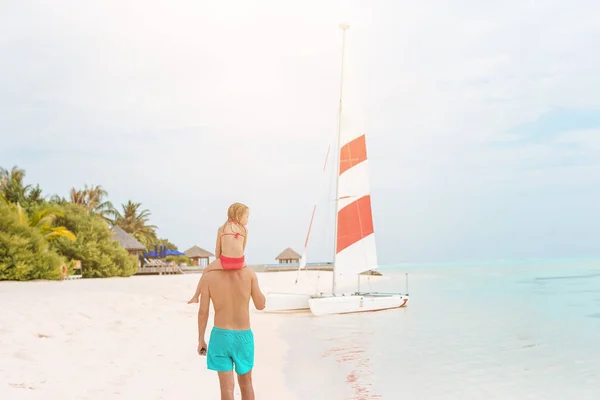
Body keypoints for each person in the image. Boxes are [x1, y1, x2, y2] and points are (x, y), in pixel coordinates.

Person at [197, 266, 266, 400]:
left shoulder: (209, 277)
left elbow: (203, 312)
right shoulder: (249, 274)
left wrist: (201, 339)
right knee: (246, 385)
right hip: (243, 337)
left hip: (220, 337)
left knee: (226, 388)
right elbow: (260, 305)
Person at [188, 202, 249, 304]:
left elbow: (218, 249)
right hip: (240, 262)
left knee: (205, 272)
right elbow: (242, 248)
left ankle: (195, 296)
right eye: (246, 216)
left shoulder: (222, 229)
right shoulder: (244, 230)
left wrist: (218, 262)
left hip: (225, 261)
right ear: (239, 215)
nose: (247, 219)